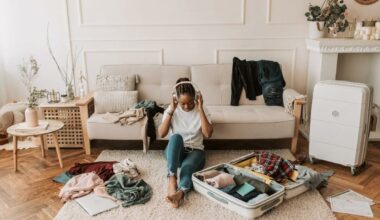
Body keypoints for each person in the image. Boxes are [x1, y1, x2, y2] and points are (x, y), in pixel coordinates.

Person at [158, 77, 213, 208]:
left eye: (190, 102)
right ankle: (172, 179)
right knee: (176, 137)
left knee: (187, 169)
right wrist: (171, 110)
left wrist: (200, 109)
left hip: (195, 151)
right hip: (175, 152)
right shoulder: (172, 109)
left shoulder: (202, 109)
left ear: (196, 97)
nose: (186, 106)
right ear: (176, 98)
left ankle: (180, 194)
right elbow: (161, 133)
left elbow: (208, 134)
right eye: (183, 103)